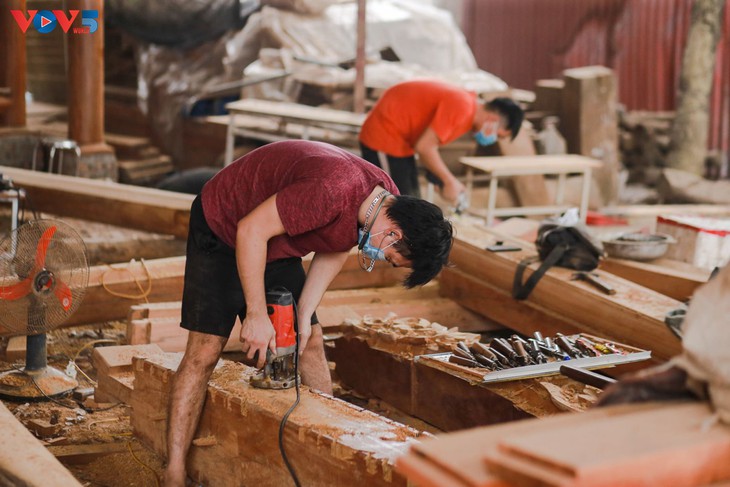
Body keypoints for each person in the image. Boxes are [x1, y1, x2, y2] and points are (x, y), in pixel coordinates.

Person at [163, 139, 453, 486]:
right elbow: (250, 230)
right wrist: (256, 314)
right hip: (224, 226)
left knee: (310, 340)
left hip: (274, 238)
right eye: (390, 257)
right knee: (205, 351)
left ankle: (330, 446)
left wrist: (304, 315)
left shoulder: (383, 202)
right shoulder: (330, 191)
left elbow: (336, 246)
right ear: (394, 233)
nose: (381, 260)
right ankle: (174, 472)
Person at [359, 79, 524, 204]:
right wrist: (449, 181)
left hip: (402, 143)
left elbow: (426, 145)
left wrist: (441, 178)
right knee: (396, 206)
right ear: (493, 120)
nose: (493, 139)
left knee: (412, 202)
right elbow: (425, 147)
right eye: (498, 135)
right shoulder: (463, 107)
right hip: (384, 137)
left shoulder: (467, 108)